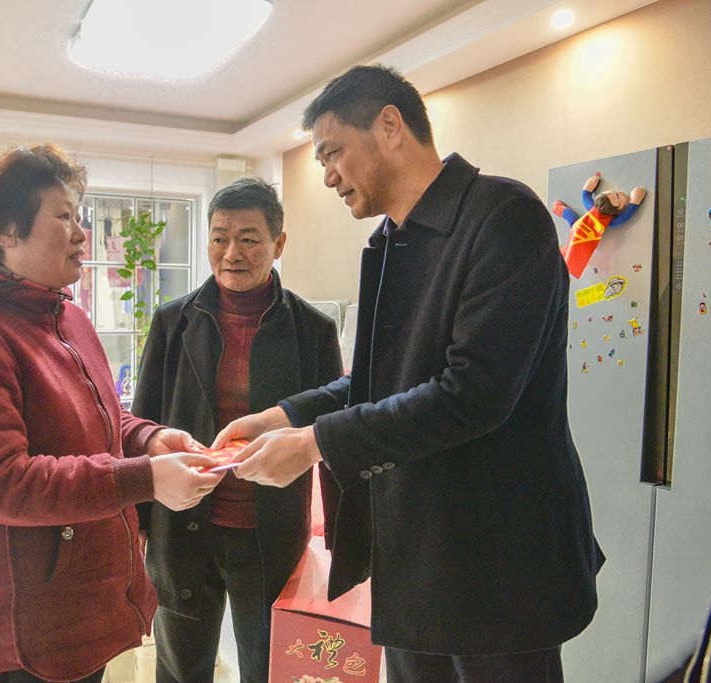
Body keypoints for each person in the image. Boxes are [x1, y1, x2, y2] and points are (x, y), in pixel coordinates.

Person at [214, 65, 605, 682]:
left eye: (333, 152)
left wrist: (315, 444)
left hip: (498, 562)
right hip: (417, 556)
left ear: (390, 126)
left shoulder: (504, 217)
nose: (327, 175)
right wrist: (284, 415)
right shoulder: (391, 241)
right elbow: (376, 378)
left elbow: (471, 395)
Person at [0, 143, 223, 683]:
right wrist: (146, 479)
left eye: (79, 217)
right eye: (63, 217)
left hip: (84, 605)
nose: (81, 233)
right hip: (25, 636)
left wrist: (150, 439)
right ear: (6, 231)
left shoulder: (67, 316)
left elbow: (103, 417)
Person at [132, 177, 343, 683]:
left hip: (270, 531)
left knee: (268, 666)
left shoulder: (313, 330)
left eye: (249, 239)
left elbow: (333, 422)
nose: (232, 253)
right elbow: (141, 421)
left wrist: (338, 533)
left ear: (278, 243)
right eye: (219, 238)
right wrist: (137, 522)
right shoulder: (173, 322)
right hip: (183, 525)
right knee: (181, 668)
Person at [552, 172, 645, 278]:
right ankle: (558, 209)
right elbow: (626, 216)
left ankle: (558, 209)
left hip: (578, 228)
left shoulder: (594, 209)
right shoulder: (610, 221)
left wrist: (588, 187)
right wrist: (634, 201)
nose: (617, 193)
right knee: (571, 217)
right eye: (615, 194)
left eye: (616, 195)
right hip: (579, 230)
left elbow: (586, 197)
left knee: (571, 217)